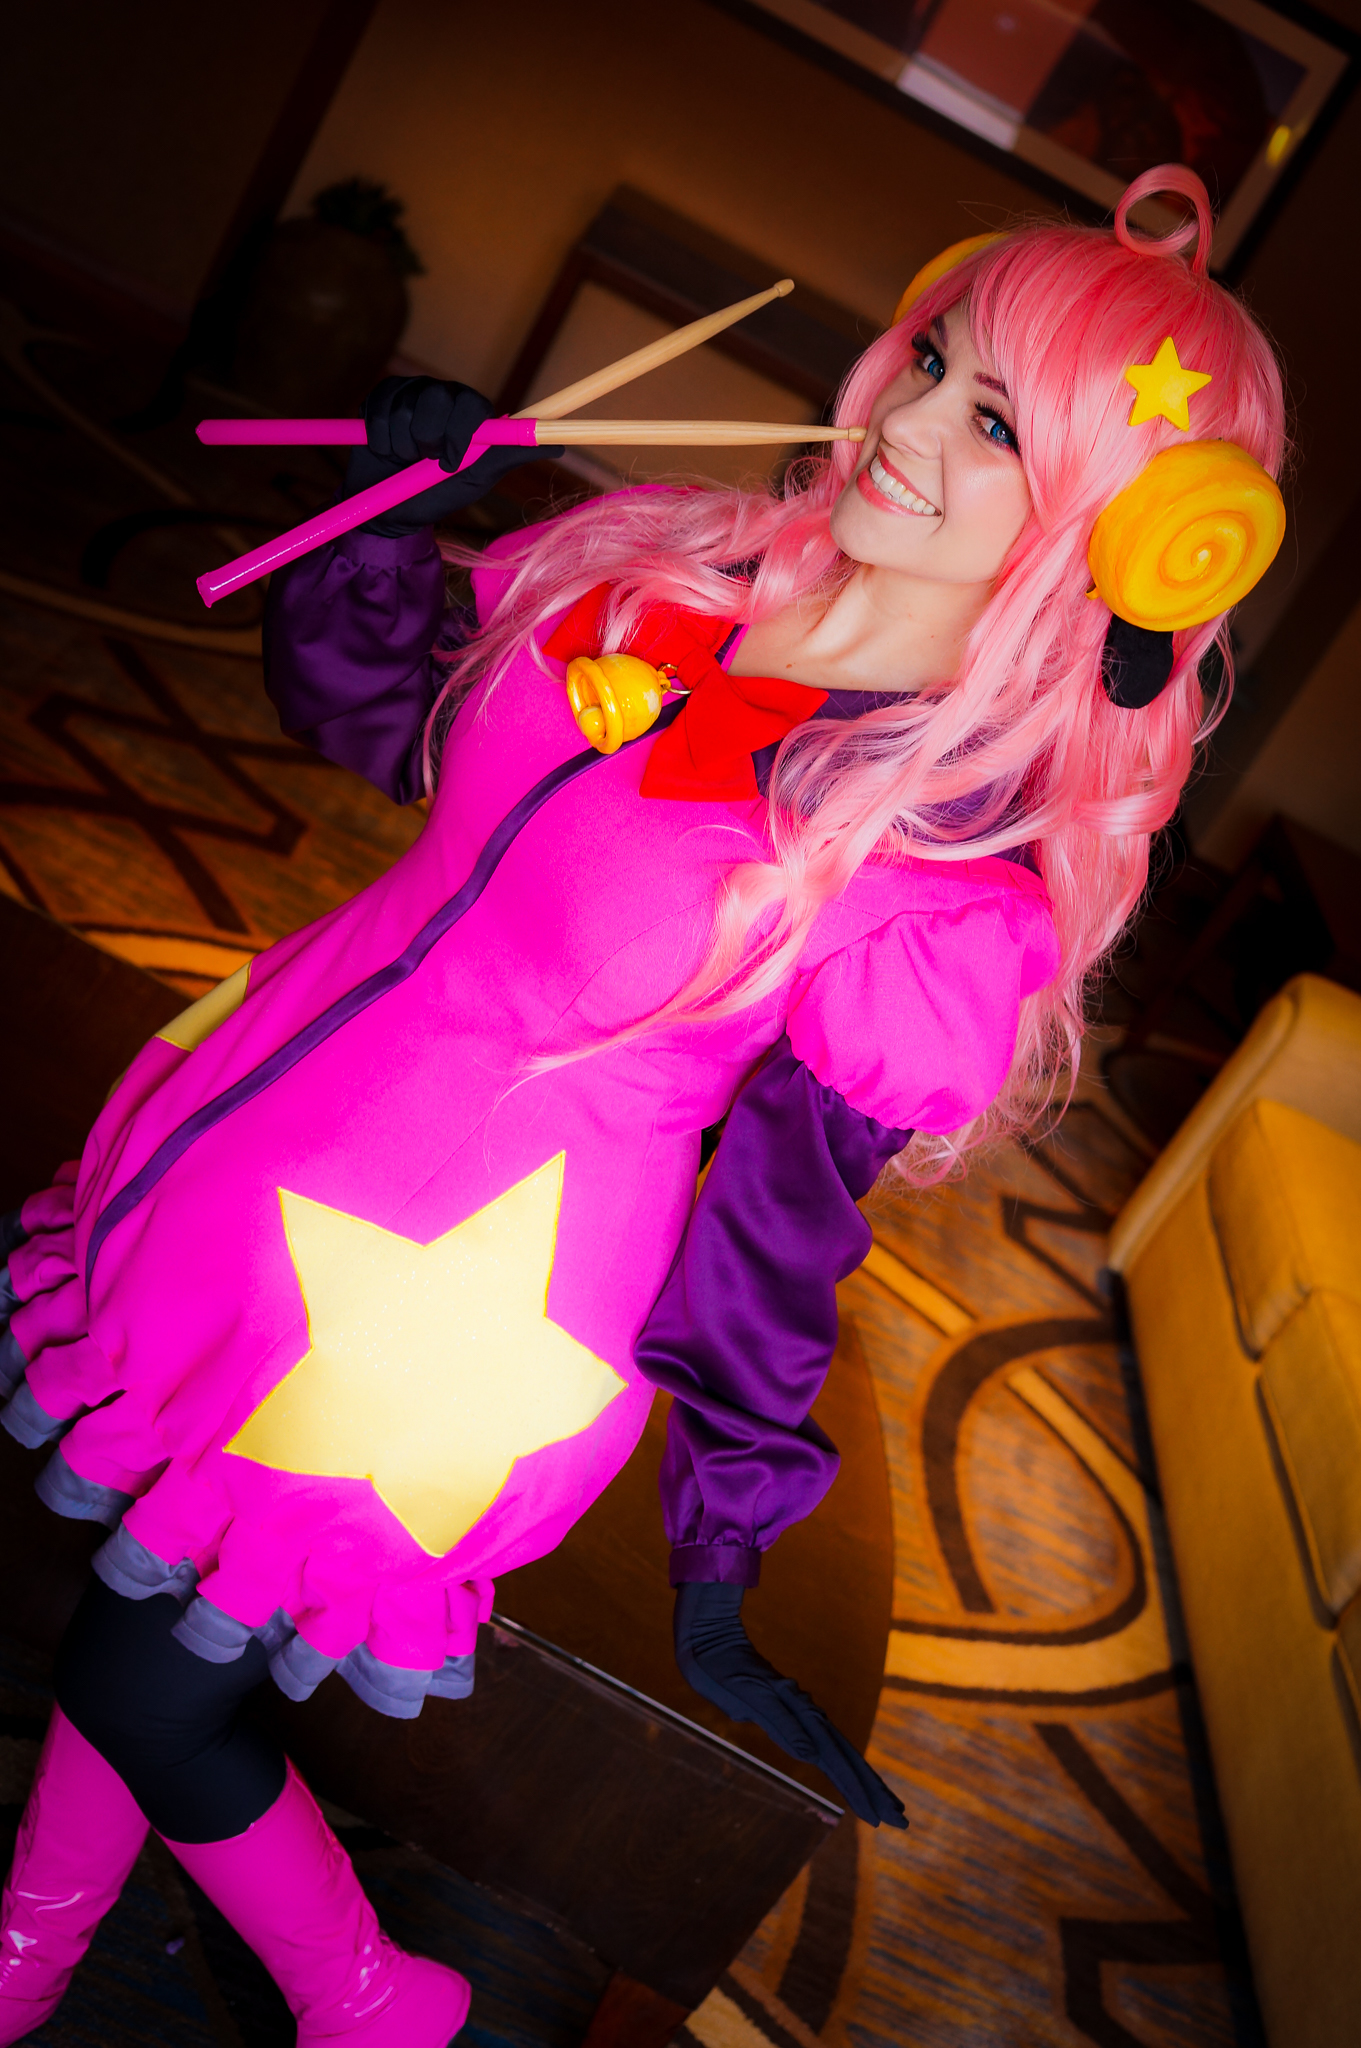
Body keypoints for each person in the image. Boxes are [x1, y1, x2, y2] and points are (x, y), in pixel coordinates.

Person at [0, 162, 1285, 2045]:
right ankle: (112, 1958)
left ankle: (343, 1994)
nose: (908, 421)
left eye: (998, 426)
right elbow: (380, 726)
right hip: (250, 1138)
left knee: (143, 1675)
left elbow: (779, 1235)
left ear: (1136, 535)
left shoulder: (928, 881)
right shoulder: (673, 571)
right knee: (153, 1596)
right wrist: (397, 510)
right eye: (933, 359)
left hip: (436, 1311)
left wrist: (723, 1554)